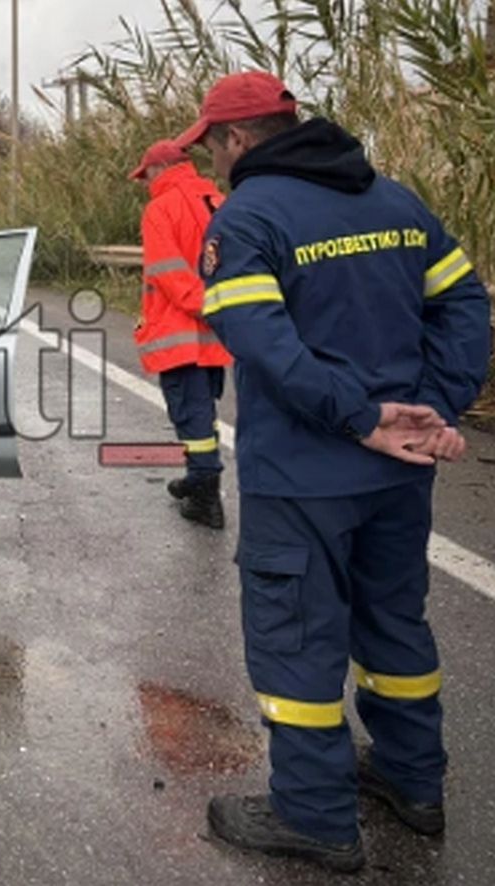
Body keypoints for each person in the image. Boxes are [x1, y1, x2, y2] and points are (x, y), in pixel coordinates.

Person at [176, 71, 490, 872]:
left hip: (304, 478)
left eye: (210, 146)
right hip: (398, 475)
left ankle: (315, 816)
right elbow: (465, 304)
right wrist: (431, 407)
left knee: (299, 640)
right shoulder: (394, 201)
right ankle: (413, 783)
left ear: (238, 139)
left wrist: (361, 417)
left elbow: (265, 345)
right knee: (393, 623)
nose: (210, 163)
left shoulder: (247, 217)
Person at [129, 140, 233, 529]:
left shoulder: (161, 208)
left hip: (181, 332)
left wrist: (202, 305)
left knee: (191, 415)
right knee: (204, 413)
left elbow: (167, 270)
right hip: (215, 333)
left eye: (145, 175)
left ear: (159, 170)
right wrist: (221, 310)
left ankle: (205, 498)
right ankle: (196, 479)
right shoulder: (218, 201)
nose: (144, 183)